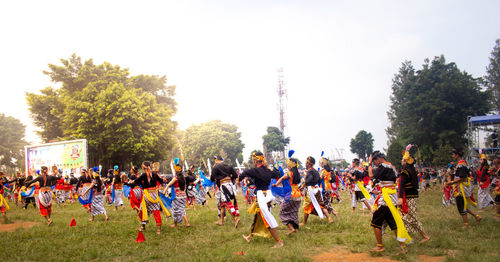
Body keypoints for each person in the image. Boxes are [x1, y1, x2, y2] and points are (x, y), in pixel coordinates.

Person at [368, 151, 411, 253]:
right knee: (393, 222)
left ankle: (380, 246)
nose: (375, 164)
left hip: (386, 199)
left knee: (376, 222)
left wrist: (369, 164)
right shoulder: (391, 166)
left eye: (374, 162)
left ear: (378, 159)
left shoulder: (383, 166)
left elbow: (371, 175)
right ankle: (403, 247)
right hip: (392, 197)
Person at [239, 152, 283, 248]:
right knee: (258, 216)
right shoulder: (268, 170)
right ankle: (250, 237)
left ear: (255, 160)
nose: (253, 162)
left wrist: (238, 179)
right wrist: (275, 168)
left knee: (266, 218)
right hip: (267, 194)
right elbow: (277, 174)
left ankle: (279, 241)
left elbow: (244, 173)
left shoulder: (255, 170)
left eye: (253, 160)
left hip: (261, 196)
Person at [399, 145, 430, 243]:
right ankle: (407, 237)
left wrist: (400, 198)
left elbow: (401, 186)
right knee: (405, 217)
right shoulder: (412, 171)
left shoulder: (406, 172)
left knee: (410, 218)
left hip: (409, 197)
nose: (401, 161)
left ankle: (425, 236)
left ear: (407, 161)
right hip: (412, 196)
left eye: (403, 160)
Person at [127, 161, 168, 234]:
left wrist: (130, 182)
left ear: (144, 167)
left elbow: (136, 182)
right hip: (155, 195)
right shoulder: (154, 174)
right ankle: (158, 230)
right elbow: (161, 181)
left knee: (143, 210)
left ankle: (143, 227)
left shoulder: (143, 175)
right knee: (156, 211)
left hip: (146, 195)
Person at [445, 148, 482, 228]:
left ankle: (466, 224)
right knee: (463, 205)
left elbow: (461, 178)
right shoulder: (463, 163)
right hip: (461, 186)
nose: (452, 156)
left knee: (461, 205)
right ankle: (477, 216)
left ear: (457, 155)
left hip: (461, 188)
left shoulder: (461, 164)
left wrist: (450, 182)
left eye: (453, 154)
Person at [300, 156, 334, 226]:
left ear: (310, 164)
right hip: (317, 189)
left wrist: (303, 185)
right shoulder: (315, 171)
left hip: (311, 191)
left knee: (306, 206)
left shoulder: (309, 171)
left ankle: (304, 222)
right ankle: (329, 218)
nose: (305, 164)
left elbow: (308, 180)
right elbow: (319, 180)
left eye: (307, 163)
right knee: (321, 205)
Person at [273, 155, 302, 235]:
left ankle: (291, 228)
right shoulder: (297, 173)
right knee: (294, 212)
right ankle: (296, 229)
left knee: (282, 212)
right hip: (298, 194)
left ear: (291, 164)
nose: (287, 165)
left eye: (288, 164)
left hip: (290, 194)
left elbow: (282, 178)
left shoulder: (289, 173)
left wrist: (276, 184)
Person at [210, 156, 240, 227]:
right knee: (222, 204)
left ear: (217, 160)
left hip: (223, 185)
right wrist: (229, 178)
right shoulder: (229, 166)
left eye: (215, 160)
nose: (214, 161)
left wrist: (217, 179)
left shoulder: (216, 167)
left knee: (226, 203)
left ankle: (235, 219)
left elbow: (212, 178)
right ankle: (221, 221)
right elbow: (235, 175)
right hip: (229, 185)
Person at [162, 158, 190, 228]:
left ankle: (181, 223)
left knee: (175, 209)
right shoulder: (183, 177)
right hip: (183, 196)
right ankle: (181, 223)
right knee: (180, 208)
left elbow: (168, 184)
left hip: (177, 196)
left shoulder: (175, 178)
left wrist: (164, 191)